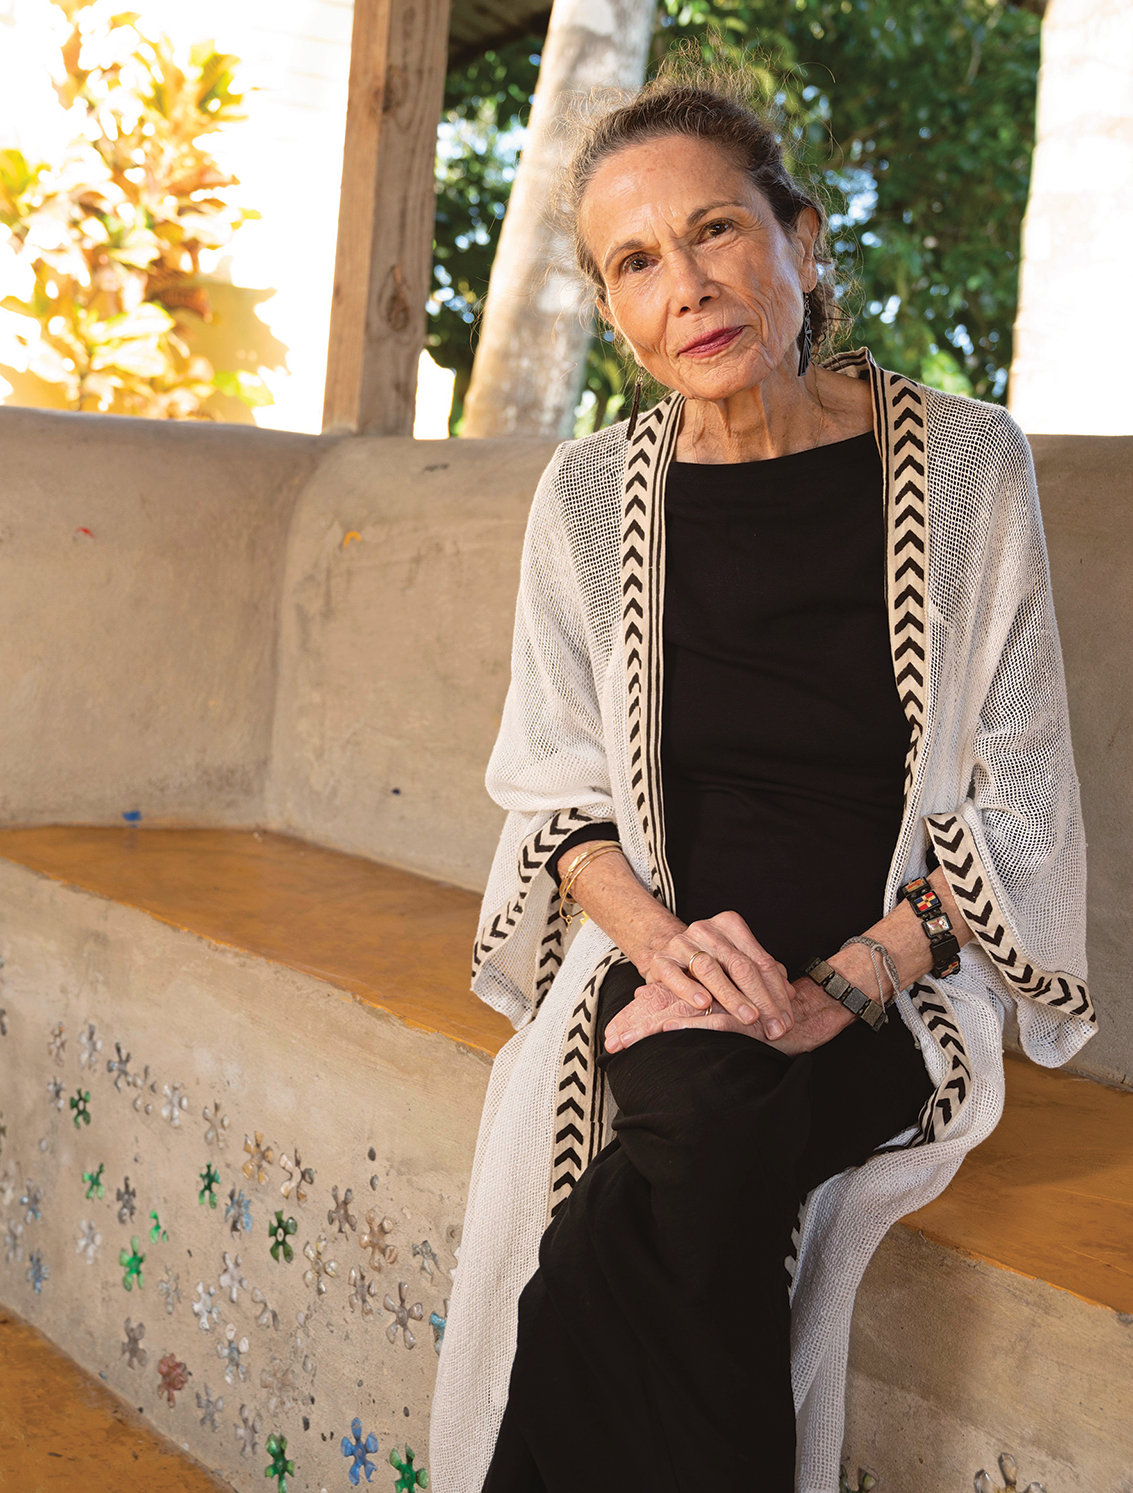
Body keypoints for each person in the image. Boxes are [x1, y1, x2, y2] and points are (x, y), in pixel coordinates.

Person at [430, 62, 1095, 1493]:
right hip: (666, 963)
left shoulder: (970, 469)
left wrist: (846, 981)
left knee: (658, 1188)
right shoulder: (589, 499)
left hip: (893, 968)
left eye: (718, 231)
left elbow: (1023, 797)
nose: (688, 285)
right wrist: (674, 950)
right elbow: (556, 798)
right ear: (615, 312)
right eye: (636, 261)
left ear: (802, 240)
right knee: (702, 1105)